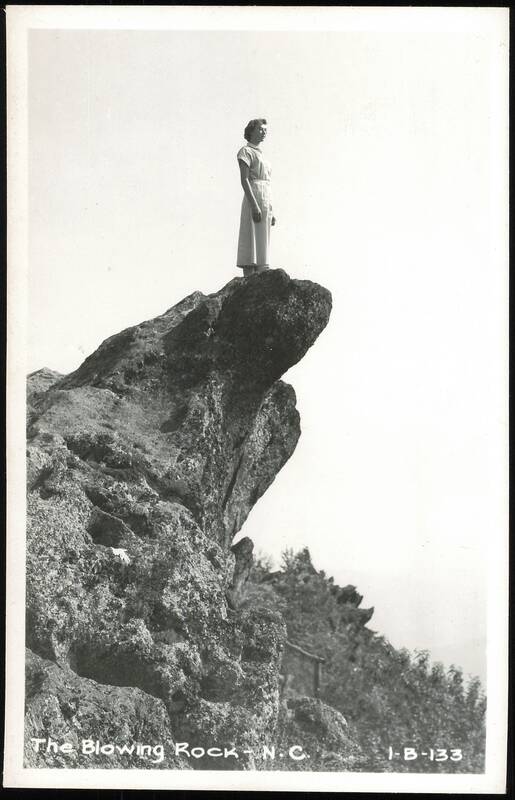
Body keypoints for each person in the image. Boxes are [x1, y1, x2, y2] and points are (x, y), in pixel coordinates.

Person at [236, 118, 276, 277]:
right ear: (251, 131)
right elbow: (244, 179)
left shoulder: (264, 157)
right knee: (251, 238)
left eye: (265, 130)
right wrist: (254, 205)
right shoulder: (246, 151)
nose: (264, 132)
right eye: (260, 129)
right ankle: (249, 280)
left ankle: (262, 277)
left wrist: (272, 210)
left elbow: (268, 184)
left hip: (265, 197)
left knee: (263, 241)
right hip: (254, 195)